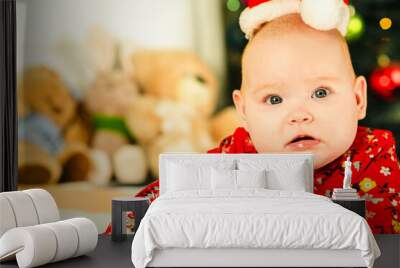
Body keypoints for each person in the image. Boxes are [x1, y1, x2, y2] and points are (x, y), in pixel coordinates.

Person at [106, 1, 400, 234]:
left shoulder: (374, 155)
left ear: (358, 99)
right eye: (274, 99)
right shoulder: (239, 152)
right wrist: (122, 228)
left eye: (321, 93)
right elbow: (175, 188)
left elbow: (385, 234)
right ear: (244, 111)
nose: (299, 115)